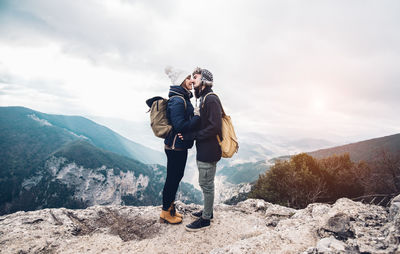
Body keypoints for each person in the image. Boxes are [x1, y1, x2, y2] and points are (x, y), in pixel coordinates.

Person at [178, 67, 222, 231]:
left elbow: (215, 127)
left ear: (203, 80)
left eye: (195, 77)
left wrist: (192, 136)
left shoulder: (210, 99)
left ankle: (206, 220)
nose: (192, 80)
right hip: (205, 149)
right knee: (205, 183)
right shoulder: (204, 98)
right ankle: (207, 212)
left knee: (206, 184)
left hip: (208, 150)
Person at [159, 66, 200, 224]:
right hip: (176, 147)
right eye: (188, 77)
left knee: (175, 178)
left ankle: (169, 210)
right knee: (172, 179)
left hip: (177, 146)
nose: (191, 81)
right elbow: (180, 125)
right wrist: (196, 116)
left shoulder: (181, 97)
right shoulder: (178, 99)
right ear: (182, 81)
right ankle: (165, 213)